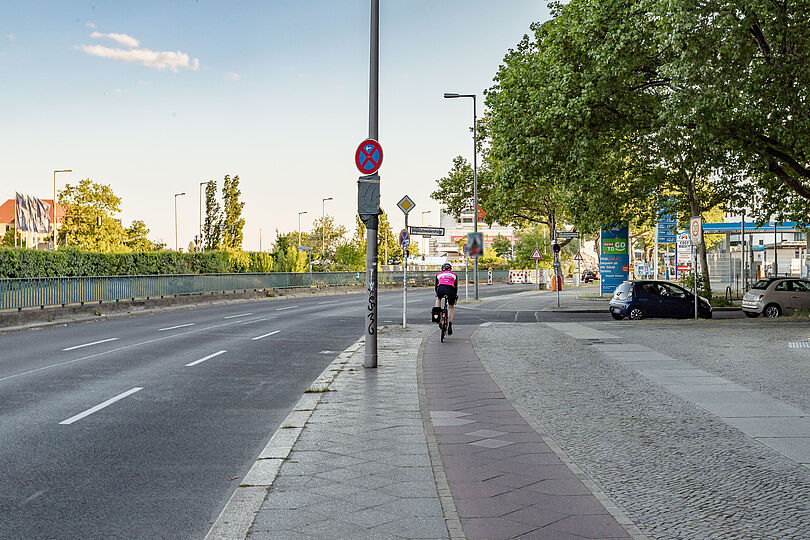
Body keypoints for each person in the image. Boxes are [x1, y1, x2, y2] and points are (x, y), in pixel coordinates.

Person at [434, 262, 458, 334]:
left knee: (438, 299)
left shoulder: (438, 275)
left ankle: (437, 315)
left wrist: (438, 294)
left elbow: (436, 286)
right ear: (450, 269)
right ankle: (450, 325)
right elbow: (455, 287)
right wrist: (455, 295)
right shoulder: (454, 275)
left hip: (440, 289)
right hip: (451, 290)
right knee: (451, 307)